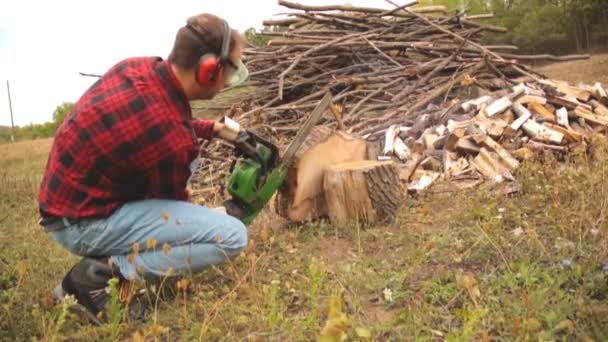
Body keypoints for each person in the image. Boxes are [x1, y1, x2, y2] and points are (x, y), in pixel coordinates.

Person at [37, 13, 250, 324]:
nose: (229, 81)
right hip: (81, 226)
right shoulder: (172, 138)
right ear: (209, 70)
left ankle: (104, 266)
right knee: (232, 236)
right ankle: (103, 275)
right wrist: (211, 216)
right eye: (230, 71)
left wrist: (212, 128)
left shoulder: (137, 68)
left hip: (65, 206)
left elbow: (156, 118)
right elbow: (173, 213)